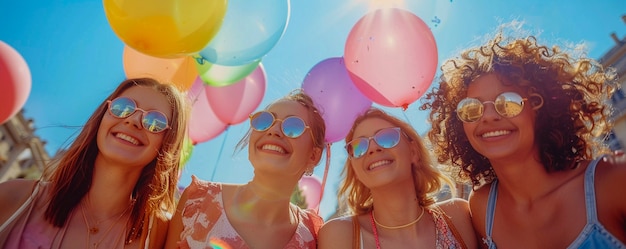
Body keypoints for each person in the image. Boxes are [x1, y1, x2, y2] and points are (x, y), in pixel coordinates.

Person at [421, 26, 626, 248]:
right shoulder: (482, 206)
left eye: (508, 102)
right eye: (471, 108)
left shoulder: (614, 180)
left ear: (540, 108)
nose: (488, 116)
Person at [0, 77, 189, 249]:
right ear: (102, 117)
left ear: (168, 143)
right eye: (122, 107)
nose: (133, 120)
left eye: (155, 121)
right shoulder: (14, 198)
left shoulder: (159, 233)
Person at [164, 90, 326, 249]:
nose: (273, 130)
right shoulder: (197, 201)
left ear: (313, 156)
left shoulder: (314, 235)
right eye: (264, 121)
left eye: (293, 126)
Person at [319, 107, 477, 249]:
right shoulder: (340, 235)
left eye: (387, 137)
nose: (373, 148)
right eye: (359, 146)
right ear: (355, 169)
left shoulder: (458, 216)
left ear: (413, 152)